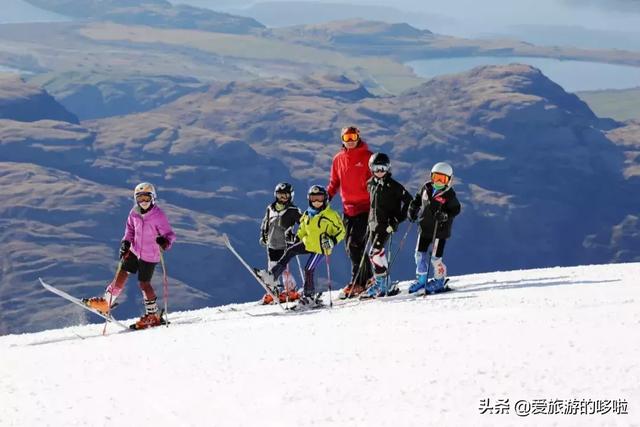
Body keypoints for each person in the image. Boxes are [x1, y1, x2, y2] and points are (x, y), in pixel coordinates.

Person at [84, 182, 176, 329]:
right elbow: (130, 231)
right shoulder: (134, 213)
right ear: (135, 199)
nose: (143, 202)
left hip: (150, 254)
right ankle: (106, 302)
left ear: (153, 198)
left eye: (147, 198)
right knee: (122, 273)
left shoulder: (158, 215)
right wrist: (126, 243)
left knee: (144, 283)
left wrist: (164, 242)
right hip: (134, 250)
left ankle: (153, 316)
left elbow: (170, 235)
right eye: (140, 198)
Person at [255, 185, 345, 308]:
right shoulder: (308, 214)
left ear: (325, 199)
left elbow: (341, 231)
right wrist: (296, 240)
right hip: (308, 243)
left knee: (308, 269)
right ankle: (272, 276)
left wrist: (332, 241)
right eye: (313, 199)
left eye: (320, 198)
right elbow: (302, 230)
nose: (317, 202)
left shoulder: (330, 215)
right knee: (290, 251)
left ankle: (309, 297)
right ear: (309, 199)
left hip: (320, 248)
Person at [327, 126, 373, 299]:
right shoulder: (338, 159)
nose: (351, 140)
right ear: (342, 140)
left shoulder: (368, 157)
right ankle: (368, 279)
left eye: (353, 136)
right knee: (352, 247)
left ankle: (357, 282)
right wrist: (325, 199)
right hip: (348, 209)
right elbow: (334, 182)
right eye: (347, 137)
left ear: (358, 137)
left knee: (354, 245)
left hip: (366, 207)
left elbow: (377, 179)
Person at [362, 153, 413, 298]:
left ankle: (382, 284)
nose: (380, 171)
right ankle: (386, 282)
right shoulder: (370, 184)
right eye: (376, 168)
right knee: (377, 253)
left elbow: (410, 201)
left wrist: (397, 219)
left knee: (374, 253)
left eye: (383, 168)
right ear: (371, 168)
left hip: (386, 225)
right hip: (373, 225)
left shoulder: (394, 186)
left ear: (388, 168)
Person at [407, 162, 461, 294]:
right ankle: (422, 278)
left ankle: (439, 279)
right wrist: (412, 209)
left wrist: (445, 216)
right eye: (436, 177)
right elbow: (417, 199)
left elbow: (456, 209)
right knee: (419, 254)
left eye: (442, 179)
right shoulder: (426, 188)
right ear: (431, 176)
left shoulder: (449, 194)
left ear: (449, 180)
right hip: (424, 227)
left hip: (440, 231)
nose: (438, 182)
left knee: (435, 258)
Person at [258, 182, 302, 304]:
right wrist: (263, 235)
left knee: (283, 269)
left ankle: (291, 290)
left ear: (290, 196)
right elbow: (265, 223)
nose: (282, 198)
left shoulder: (293, 210)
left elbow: (304, 224)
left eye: (285, 196)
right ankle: (273, 292)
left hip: (285, 244)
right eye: (280, 195)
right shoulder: (270, 208)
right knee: (271, 268)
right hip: (272, 244)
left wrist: (297, 237)